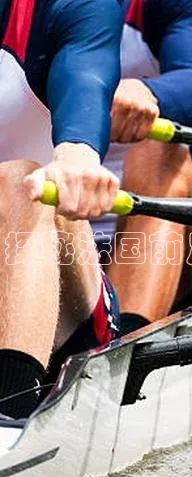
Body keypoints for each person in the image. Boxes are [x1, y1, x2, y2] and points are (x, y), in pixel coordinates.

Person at [0, 0, 123, 419]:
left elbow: (85, 75)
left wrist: (78, 155)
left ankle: (11, 404)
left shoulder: (73, 6)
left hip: (66, 290)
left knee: (23, 181)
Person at [89, 0, 192, 334]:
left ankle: (124, 340)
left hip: (159, 229)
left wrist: (147, 91)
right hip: (51, 226)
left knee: (159, 149)